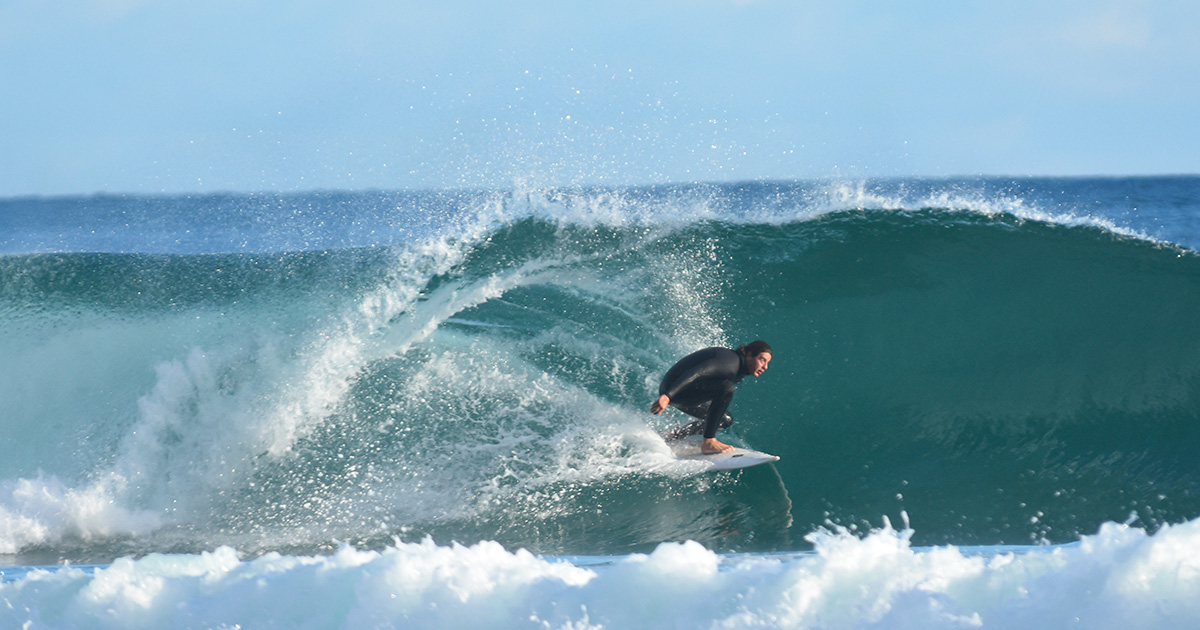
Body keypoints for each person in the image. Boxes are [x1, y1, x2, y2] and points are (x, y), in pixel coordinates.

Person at [650, 340, 772, 454]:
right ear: (749, 354)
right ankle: (708, 442)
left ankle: (673, 436)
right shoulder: (729, 363)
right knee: (726, 388)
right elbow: (696, 372)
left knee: (724, 419)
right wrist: (668, 396)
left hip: (685, 391)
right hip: (677, 391)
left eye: (767, 363)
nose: (765, 367)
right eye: (762, 360)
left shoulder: (738, 366)